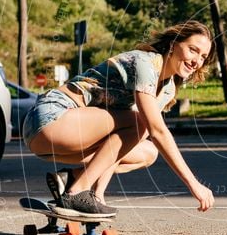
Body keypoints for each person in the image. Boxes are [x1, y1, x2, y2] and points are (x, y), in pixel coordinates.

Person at [22, 20, 216, 214]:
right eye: (193, 50)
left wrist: (98, 196)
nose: (196, 61)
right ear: (173, 45)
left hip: (63, 141)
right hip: (51, 118)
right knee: (142, 123)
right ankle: (76, 191)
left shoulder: (168, 89)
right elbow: (157, 130)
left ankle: (74, 181)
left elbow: (119, 142)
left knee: (148, 152)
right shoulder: (146, 63)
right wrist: (194, 184)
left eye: (203, 57)